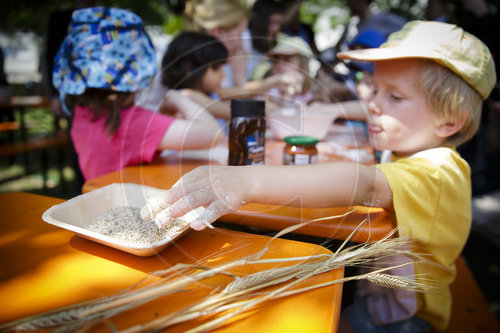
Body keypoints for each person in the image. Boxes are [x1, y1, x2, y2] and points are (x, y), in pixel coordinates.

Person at [141, 20, 496, 332]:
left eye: (394, 96)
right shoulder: (420, 145)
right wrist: (345, 108)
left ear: (450, 121)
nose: (372, 103)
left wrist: (247, 180)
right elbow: (378, 112)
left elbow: (364, 183)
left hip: (400, 318)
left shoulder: (436, 170)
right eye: (374, 88)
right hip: (381, 293)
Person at [52, 7, 222, 181]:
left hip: (101, 202)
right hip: (131, 206)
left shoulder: (82, 114)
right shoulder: (133, 123)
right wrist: (176, 97)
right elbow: (213, 134)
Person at [160, 31, 231, 119]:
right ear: (190, 70)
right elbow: (229, 112)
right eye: (216, 68)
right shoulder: (186, 96)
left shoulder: (210, 94)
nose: (223, 74)